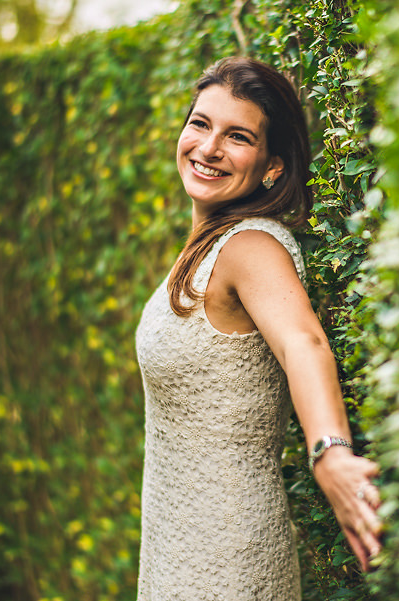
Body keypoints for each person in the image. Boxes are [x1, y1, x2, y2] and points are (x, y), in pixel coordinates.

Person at [134, 56, 382, 600]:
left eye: (237, 136)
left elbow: (304, 341)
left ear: (272, 166)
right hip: (176, 542)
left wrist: (331, 452)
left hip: (225, 557)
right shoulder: (208, 244)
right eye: (200, 123)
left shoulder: (250, 247)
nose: (208, 148)